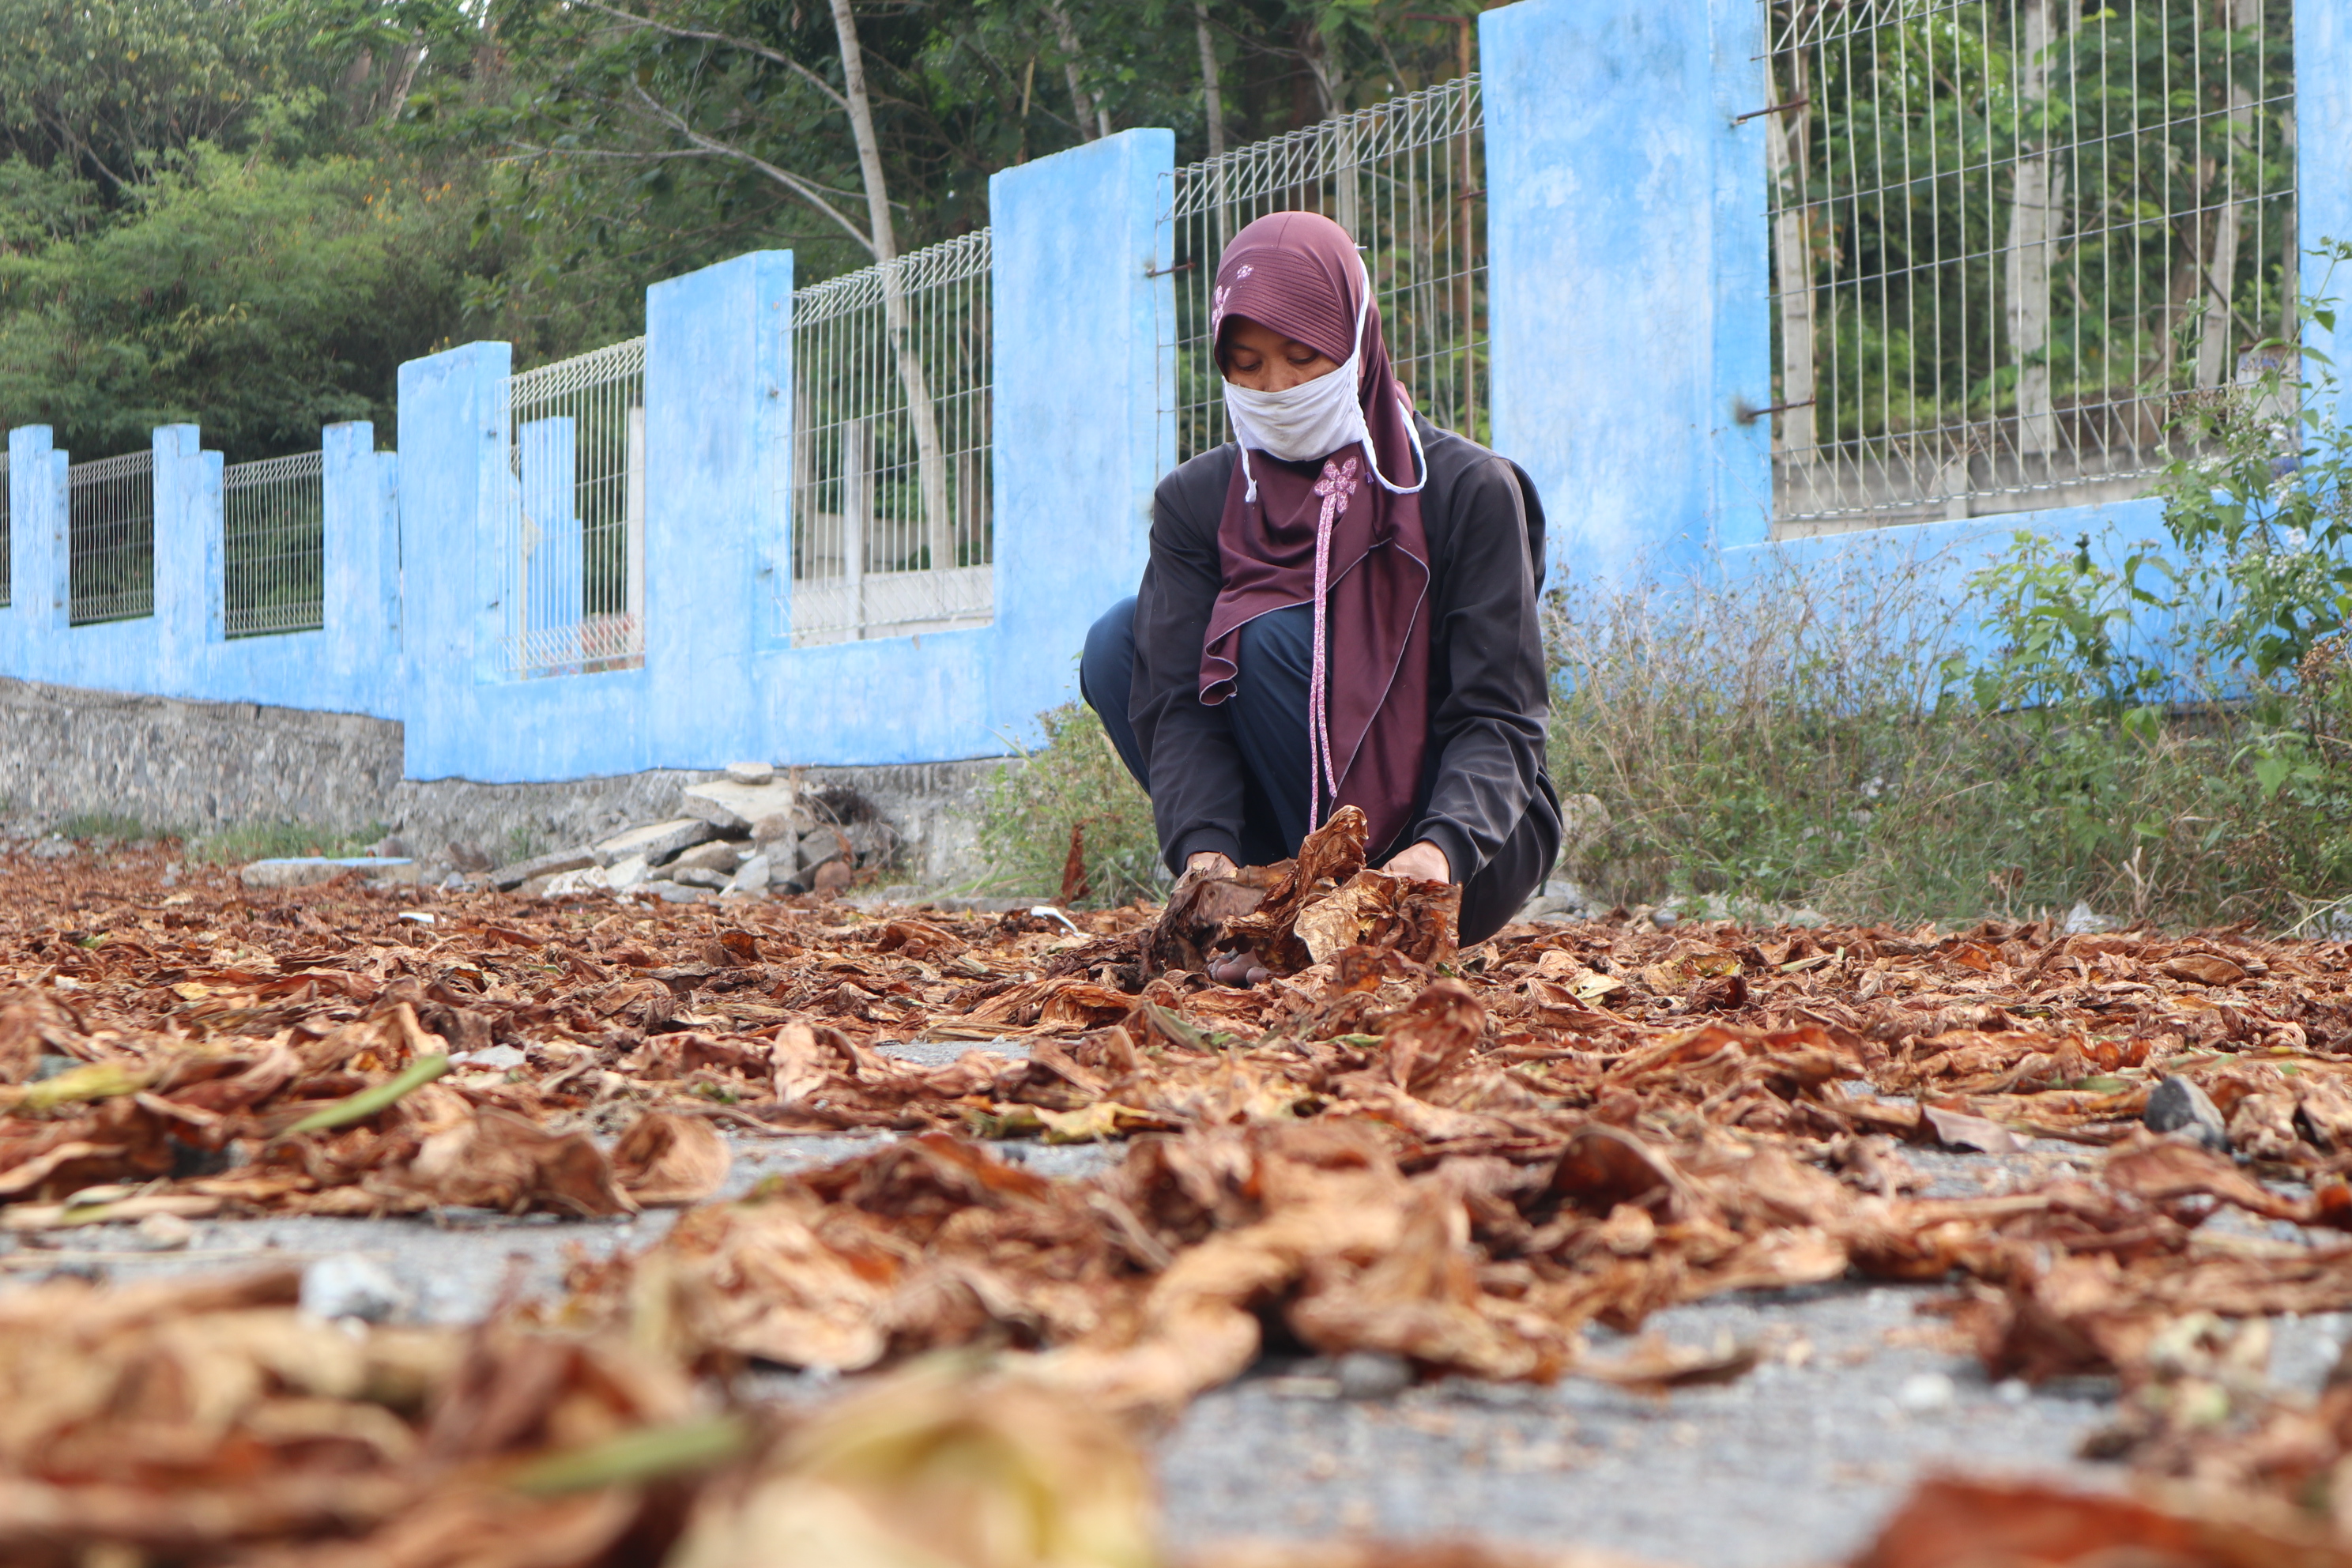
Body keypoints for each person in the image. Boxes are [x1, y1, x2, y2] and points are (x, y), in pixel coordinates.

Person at [1080, 209, 1560, 960]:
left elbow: (1501, 713)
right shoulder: (1198, 502)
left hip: (1460, 849)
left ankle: (1366, 900)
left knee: (1267, 633)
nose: (1275, 388)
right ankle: (1273, 895)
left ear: (1357, 340)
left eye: (1303, 356)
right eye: (1245, 364)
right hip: (1288, 825)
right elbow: (1179, 703)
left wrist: (1442, 849)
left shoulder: (1464, 489)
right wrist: (1204, 853)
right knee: (1117, 642)